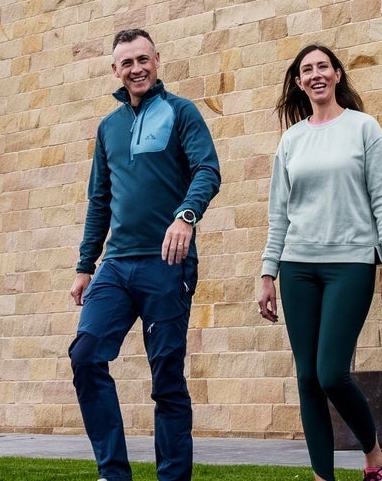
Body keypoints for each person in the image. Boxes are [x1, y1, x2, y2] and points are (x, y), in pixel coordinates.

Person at [70, 28, 221, 481]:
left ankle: (172, 477)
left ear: (157, 60)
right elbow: (99, 200)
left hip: (167, 264)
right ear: (115, 71)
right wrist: (84, 266)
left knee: (167, 378)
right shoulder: (108, 127)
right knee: (86, 355)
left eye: (143, 59)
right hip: (116, 265)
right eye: (126, 62)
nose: (136, 68)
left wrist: (186, 215)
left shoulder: (181, 112)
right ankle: (112, 473)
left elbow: (207, 169)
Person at [257, 44, 382, 481]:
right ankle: (323, 476)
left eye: (323, 66)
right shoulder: (291, 139)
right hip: (297, 267)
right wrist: (268, 273)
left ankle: (375, 455)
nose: (316, 74)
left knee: (331, 373)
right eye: (307, 69)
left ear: (338, 75)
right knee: (307, 379)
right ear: (300, 82)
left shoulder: (364, 128)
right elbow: (278, 212)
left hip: (350, 265)